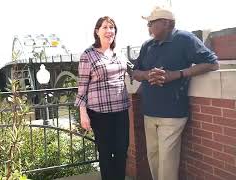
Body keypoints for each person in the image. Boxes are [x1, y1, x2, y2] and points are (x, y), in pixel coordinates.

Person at [132, 6, 219, 180]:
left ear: (166, 23)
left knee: (167, 164)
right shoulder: (147, 45)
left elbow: (212, 63)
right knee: (154, 159)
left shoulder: (185, 39)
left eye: (151, 23)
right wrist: (147, 75)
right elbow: (135, 72)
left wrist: (177, 74)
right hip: (149, 112)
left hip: (172, 114)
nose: (148, 27)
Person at [74, 16, 130, 180]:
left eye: (111, 27)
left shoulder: (119, 53)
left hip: (121, 110)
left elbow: (132, 71)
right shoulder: (88, 55)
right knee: (106, 153)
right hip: (99, 113)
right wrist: (83, 113)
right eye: (105, 27)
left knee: (121, 150)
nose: (109, 31)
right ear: (97, 31)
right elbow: (83, 86)